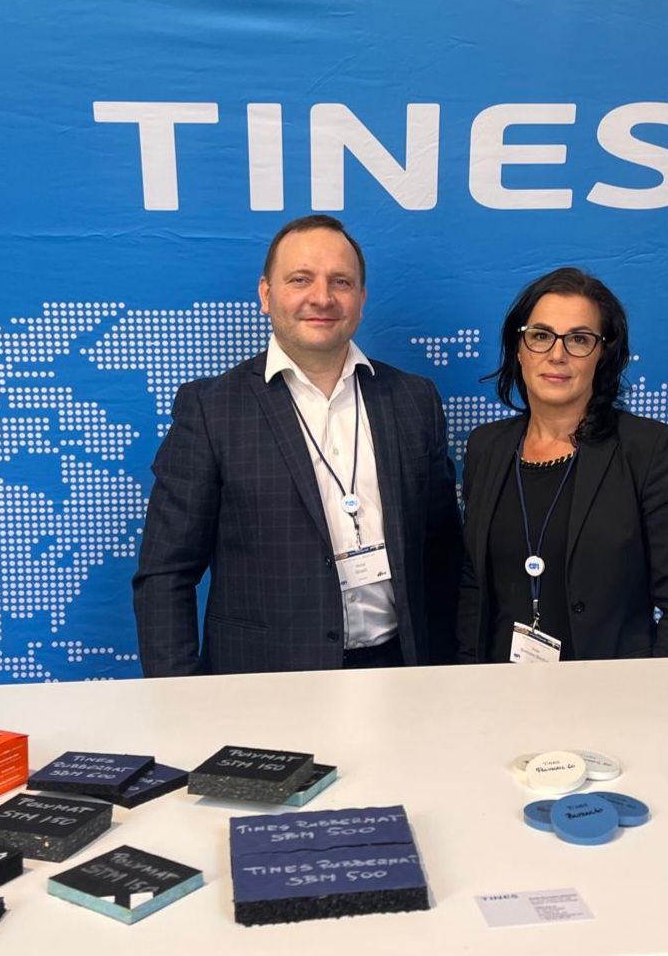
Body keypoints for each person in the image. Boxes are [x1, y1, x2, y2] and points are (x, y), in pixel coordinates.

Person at [133, 215, 463, 676]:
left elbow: (443, 554)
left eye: (341, 282)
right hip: (262, 679)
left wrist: (445, 675)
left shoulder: (414, 400)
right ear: (266, 294)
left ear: (361, 299)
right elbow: (166, 574)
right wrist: (180, 698)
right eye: (300, 279)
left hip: (398, 672)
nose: (322, 297)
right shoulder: (212, 410)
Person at [457, 267, 668, 663]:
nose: (557, 355)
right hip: (501, 687)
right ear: (519, 348)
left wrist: (657, 689)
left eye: (578, 339)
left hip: (614, 688)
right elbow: (473, 582)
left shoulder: (649, 449)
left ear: (602, 354)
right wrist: (468, 675)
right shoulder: (486, 447)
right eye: (541, 336)